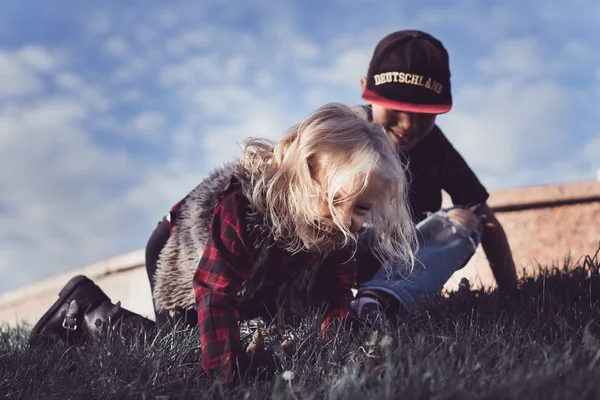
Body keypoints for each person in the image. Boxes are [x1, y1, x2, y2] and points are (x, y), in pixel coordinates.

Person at [29, 103, 417, 383]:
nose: (346, 221)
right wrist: (226, 375)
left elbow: (335, 290)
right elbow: (216, 293)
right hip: (183, 257)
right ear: (305, 176)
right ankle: (89, 309)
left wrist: (338, 334)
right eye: (335, 202)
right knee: (181, 344)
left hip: (256, 279)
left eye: (361, 208)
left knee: (260, 334)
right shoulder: (242, 211)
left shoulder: (338, 228)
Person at [350, 30, 518, 319]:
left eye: (424, 112)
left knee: (466, 221)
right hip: (344, 249)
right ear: (366, 89)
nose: (408, 124)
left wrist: (512, 294)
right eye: (397, 107)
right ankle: (319, 300)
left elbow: (486, 220)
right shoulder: (344, 132)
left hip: (400, 260)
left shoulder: (435, 147)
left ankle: (380, 300)